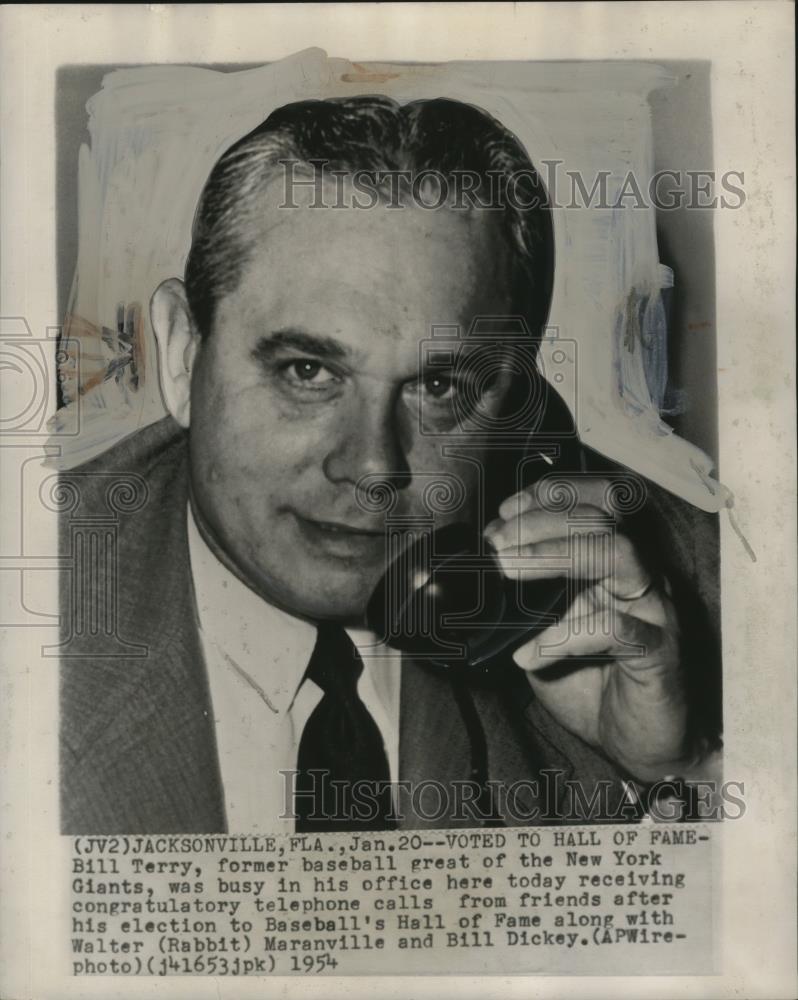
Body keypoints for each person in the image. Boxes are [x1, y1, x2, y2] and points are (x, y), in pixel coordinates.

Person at [59, 96, 720, 834]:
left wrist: (678, 772)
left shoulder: (695, 581)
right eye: (308, 372)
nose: (372, 466)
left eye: (438, 388)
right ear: (183, 354)